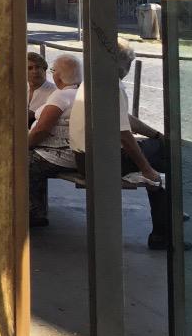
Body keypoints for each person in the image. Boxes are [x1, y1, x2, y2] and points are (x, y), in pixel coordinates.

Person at [67, 41, 175, 250]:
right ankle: (164, 228)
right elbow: (124, 134)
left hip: (84, 159)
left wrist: (154, 134)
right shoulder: (112, 86)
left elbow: (124, 119)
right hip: (104, 161)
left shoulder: (90, 82)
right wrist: (147, 169)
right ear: (124, 64)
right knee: (161, 156)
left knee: (158, 150)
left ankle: (167, 212)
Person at [27, 53, 78, 227]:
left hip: (60, 153)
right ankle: (35, 210)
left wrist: (22, 146)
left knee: (21, 161)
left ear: (57, 75)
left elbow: (41, 130)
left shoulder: (60, 95)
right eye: (29, 68)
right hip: (65, 152)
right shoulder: (76, 93)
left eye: (42, 68)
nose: (35, 72)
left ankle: (33, 212)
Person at [25, 50, 55, 127]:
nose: (35, 71)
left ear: (44, 69)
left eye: (38, 67)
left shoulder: (54, 92)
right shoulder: (19, 90)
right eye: (30, 68)